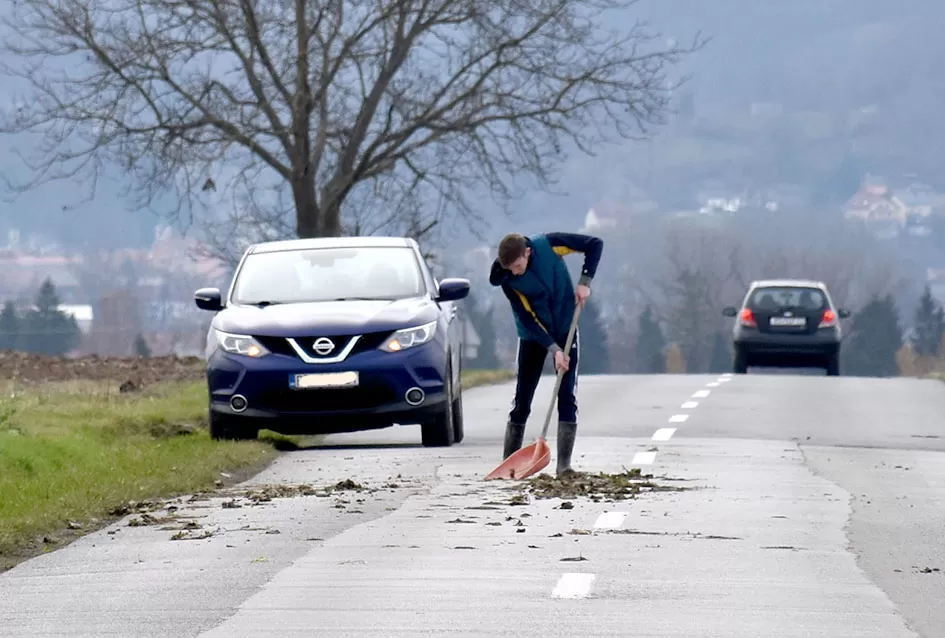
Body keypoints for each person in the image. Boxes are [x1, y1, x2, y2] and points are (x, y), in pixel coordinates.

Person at [489, 231, 604, 476]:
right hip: (533, 336)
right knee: (522, 400)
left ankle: (564, 466)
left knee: (566, 395)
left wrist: (585, 282)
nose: (516, 272)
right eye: (511, 268)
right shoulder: (508, 280)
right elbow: (528, 318)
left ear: (528, 253)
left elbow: (594, 245)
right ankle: (510, 463)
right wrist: (554, 349)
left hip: (565, 327)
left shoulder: (549, 246)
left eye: (518, 266)